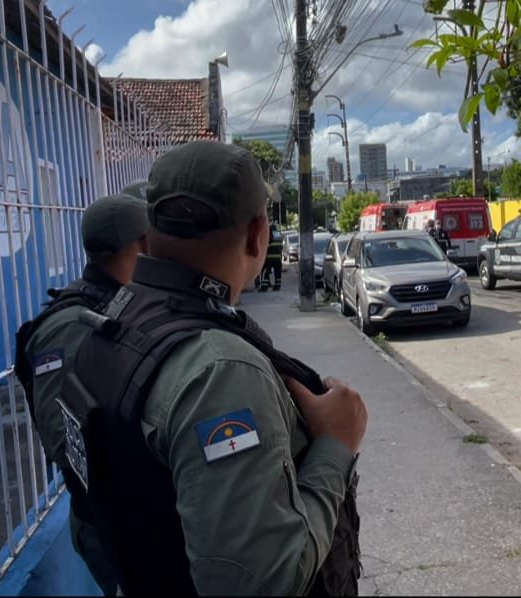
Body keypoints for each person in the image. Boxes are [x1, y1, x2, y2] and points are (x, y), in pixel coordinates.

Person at [58, 140, 367, 596]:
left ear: (150, 229)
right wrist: (336, 445)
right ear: (258, 233)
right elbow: (259, 584)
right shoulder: (220, 373)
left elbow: (90, 520)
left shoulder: (112, 324)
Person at [14, 191, 149, 596]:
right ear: (143, 244)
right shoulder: (71, 325)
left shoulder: (121, 302)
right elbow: (69, 445)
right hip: (117, 528)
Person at [257, 222, 283, 291]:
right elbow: (281, 247)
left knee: (265, 272)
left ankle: (264, 287)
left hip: (270, 258)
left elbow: (265, 247)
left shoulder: (269, 236)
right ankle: (277, 286)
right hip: (278, 258)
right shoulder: (279, 236)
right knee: (277, 272)